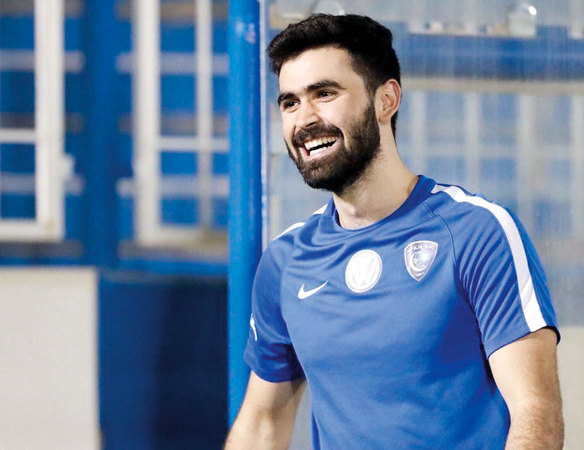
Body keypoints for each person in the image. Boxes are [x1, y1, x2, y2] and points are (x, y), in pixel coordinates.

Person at [224, 14, 563, 449]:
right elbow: (262, 424)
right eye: (290, 102)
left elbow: (536, 415)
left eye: (324, 93)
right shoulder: (285, 260)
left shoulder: (477, 232)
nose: (304, 119)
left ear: (386, 100)